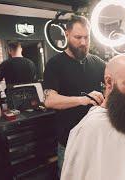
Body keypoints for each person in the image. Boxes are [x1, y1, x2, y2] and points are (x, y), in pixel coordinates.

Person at [42, 15, 106, 177]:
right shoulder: (55, 64)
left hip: (95, 140)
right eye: (78, 37)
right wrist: (83, 100)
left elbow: (111, 86)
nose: (83, 42)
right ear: (66, 34)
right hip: (69, 143)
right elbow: (49, 100)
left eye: (86, 37)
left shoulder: (98, 63)